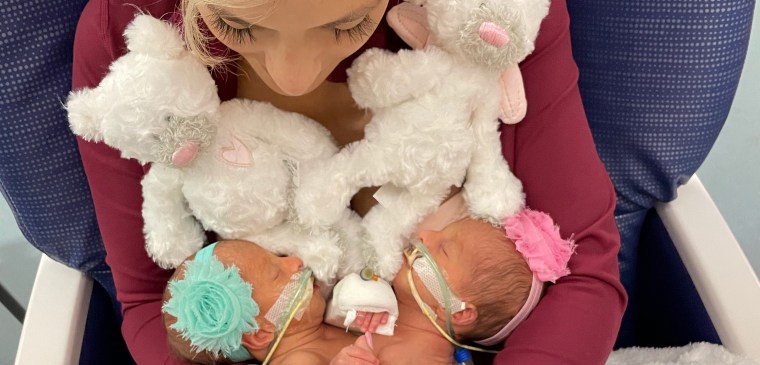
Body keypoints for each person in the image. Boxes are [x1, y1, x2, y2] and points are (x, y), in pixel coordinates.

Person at [72, 0, 627, 364]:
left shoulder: (495, 17)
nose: (294, 75)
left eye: (345, 24)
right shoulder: (130, 44)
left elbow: (584, 270)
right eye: (236, 25)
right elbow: (150, 296)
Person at [161, 239, 358, 365]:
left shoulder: (325, 323)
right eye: (276, 273)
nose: (295, 260)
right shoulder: (298, 360)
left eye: (279, 257)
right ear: (259, 333)